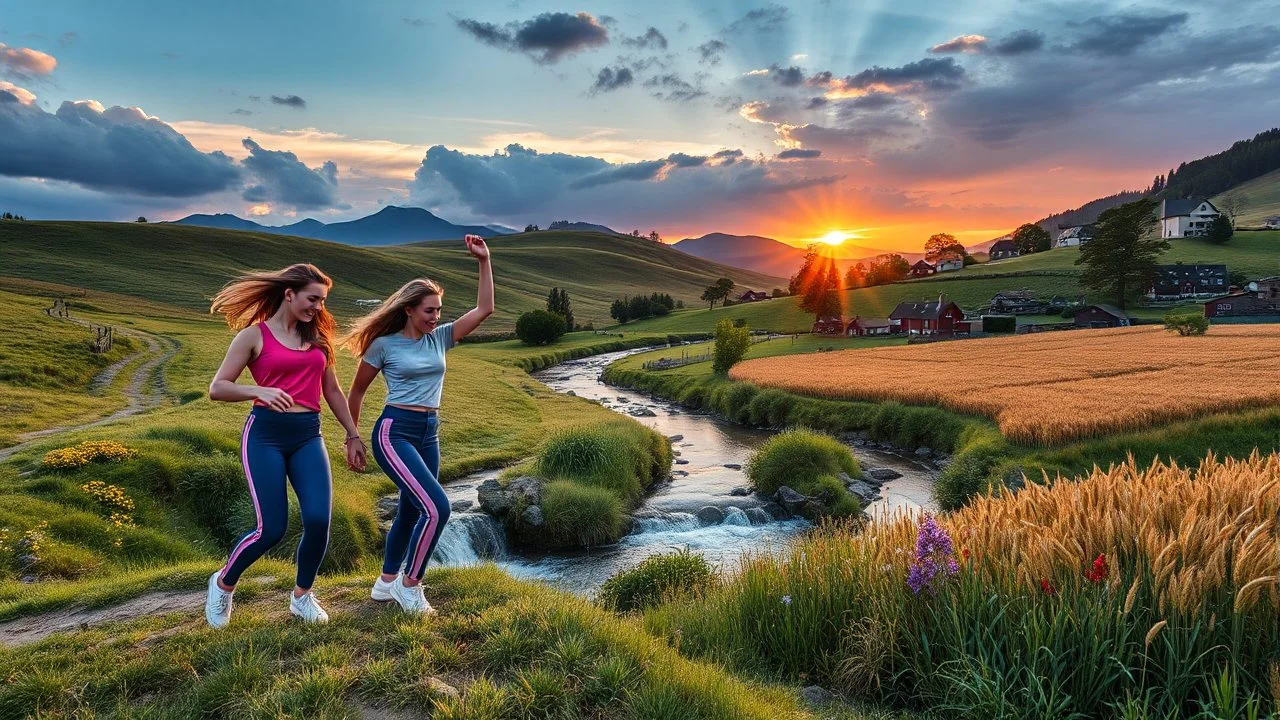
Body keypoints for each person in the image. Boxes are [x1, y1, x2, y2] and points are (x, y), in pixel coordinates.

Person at [203, 263, 367, 628]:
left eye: (323, 301)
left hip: (309, 434)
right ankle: (223, 583)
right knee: (272, 528)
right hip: (265, 435)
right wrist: (256, 389)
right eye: (313, 299)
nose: (319, 308)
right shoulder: (253, 336)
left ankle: (302, 597)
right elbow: (218, 388)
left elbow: (333, 391)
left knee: (319, 520)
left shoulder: (319, 340)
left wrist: (352, 434)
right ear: (289, 294)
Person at [343, 234, 493, 614]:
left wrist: (484, 261)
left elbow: (484, 309)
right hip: (395, 433)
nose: (436, 317)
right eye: (429, 310)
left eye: (439, 311)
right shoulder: (384, 345)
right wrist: (353, 437)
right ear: (409, 309)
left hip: (430, 434)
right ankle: (412, 585)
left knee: (411, 511)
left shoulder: (440, 338)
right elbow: (357, 392)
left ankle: (386, 583)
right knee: (438, 508)